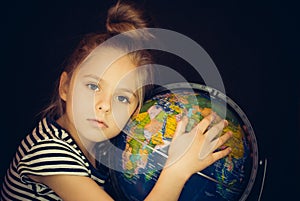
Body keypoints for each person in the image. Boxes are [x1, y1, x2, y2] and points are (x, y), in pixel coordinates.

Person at [1, 1, 232, 200]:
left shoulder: (98, 146)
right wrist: (177, 170)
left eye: (122, 97)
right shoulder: (48, 152)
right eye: (93, 86)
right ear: (65, 87)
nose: (104, 105)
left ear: (135, 110)